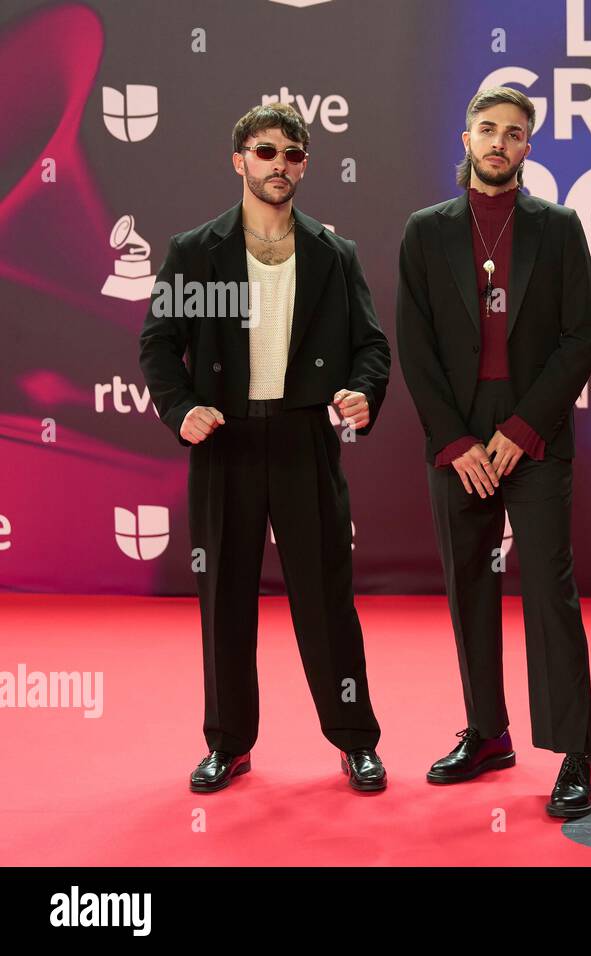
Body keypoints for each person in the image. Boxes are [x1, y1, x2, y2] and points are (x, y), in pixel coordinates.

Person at [139, 102, 391, 794]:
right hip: (226, 441)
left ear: (304, 165)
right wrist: (180, 406)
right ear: (239, 159)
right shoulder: (197, 251)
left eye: (293, 153)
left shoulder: (333, 254)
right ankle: (229, 744)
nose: (279, 164)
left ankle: (354, 740)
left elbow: (370, 347)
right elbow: (160, 344)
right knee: (224, 598)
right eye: (266, 150)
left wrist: (363, 393)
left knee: (327, 600)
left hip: (306, 438)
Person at [396, 87, 591, 818]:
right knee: (470, 587)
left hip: (533, 425)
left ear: (528, 147)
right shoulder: (426, 232)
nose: (499, 142)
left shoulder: (561, 227)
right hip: (458, 431)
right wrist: (455, 443)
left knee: (549, 587)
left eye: (514, 134)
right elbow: (414, 349)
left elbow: (582, 337)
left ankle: (575, 751)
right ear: (466, 136)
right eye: (488, 129)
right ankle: (488, 733)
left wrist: (521, 430)